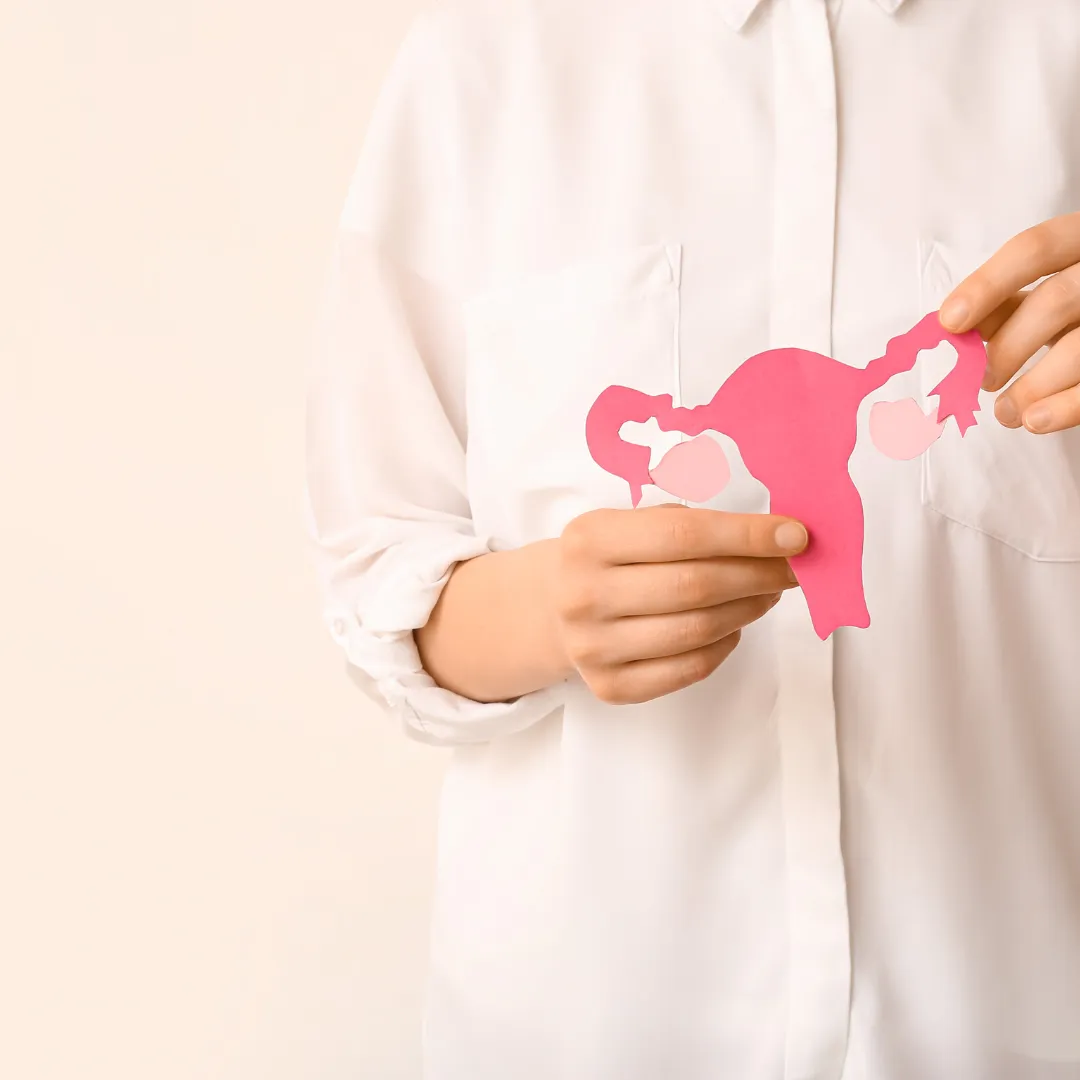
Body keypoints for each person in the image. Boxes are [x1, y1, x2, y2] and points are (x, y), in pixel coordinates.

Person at [304, 1, 1080, 1076]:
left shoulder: (1056, 50)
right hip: (588, 1031)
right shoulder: (490, 59)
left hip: (1016, 1019)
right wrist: (547, 610)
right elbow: (374, 576)